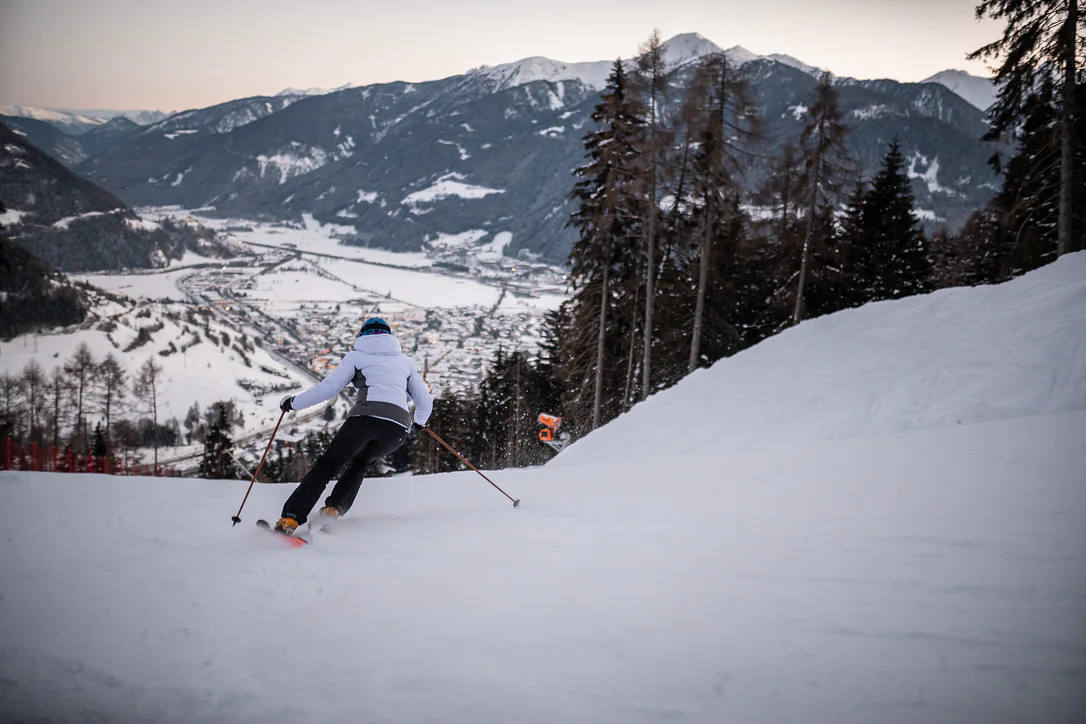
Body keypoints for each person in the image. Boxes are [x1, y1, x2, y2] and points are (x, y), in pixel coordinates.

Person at [273, 317, 432, 535]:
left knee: (328, 465)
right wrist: (420, 424)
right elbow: (425, 401)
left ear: (362, 335)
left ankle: (290, 519)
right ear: (389, 336)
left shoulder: (356, 356)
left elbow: (327, 389)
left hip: (365, 419)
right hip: (397, 429)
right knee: (360, 464)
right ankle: (332, 510)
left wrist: (293, 403)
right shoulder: (405, 362)